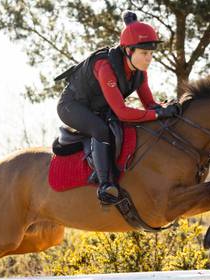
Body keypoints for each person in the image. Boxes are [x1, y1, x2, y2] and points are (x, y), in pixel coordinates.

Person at [56, 11, 181, 205]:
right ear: (128, 51)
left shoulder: (140, 72)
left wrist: (168, 108)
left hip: (98, 107)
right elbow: (123, 112)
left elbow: (150, 104)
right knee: (100, 129)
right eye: (144, 53)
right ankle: (106, 186)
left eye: (151, 53)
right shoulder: (105, 67)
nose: (149, 58)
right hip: (71, 106)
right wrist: (157, 113)